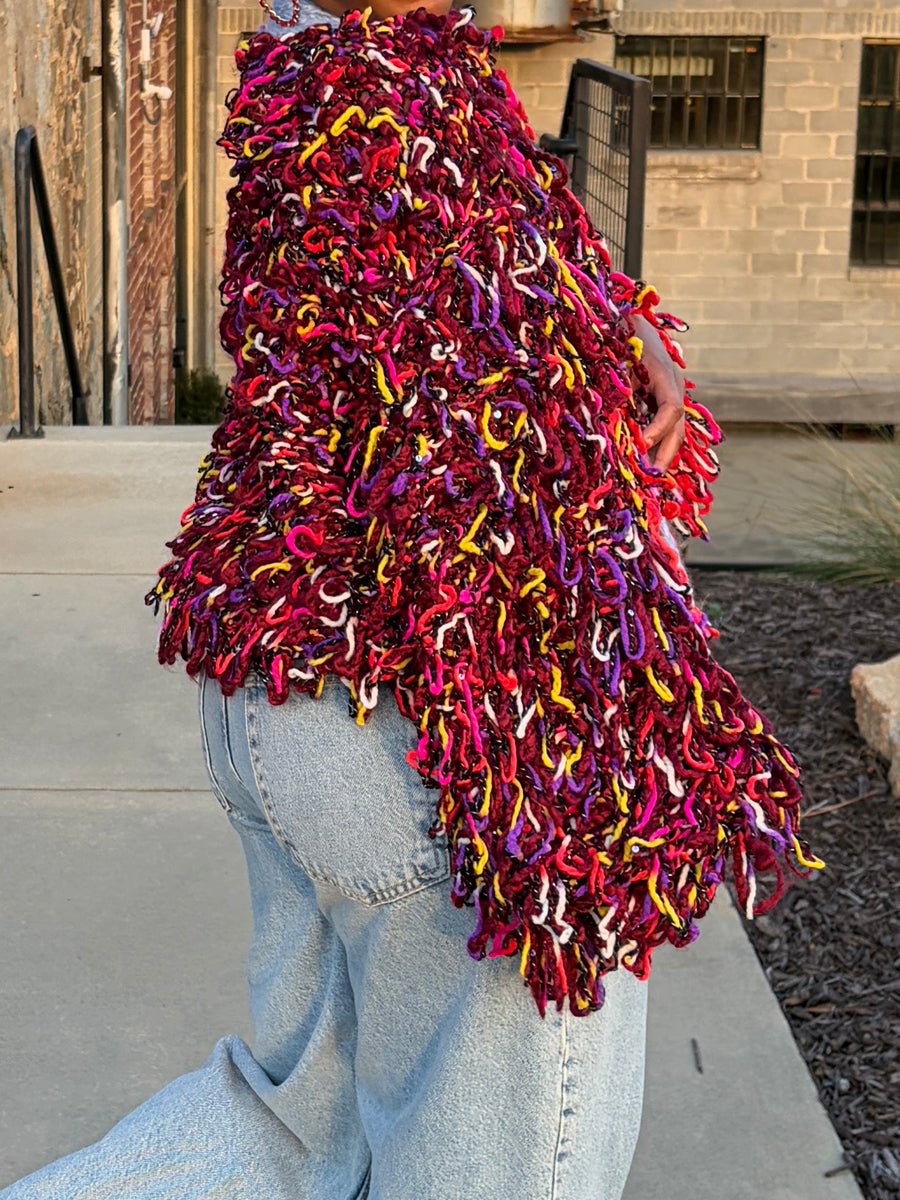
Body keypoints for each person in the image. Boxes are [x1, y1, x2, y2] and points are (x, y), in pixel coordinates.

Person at [2, 1, 818, 1196]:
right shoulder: (393, 89)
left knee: (287, 1144)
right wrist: (575, 817)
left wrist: (595, 319)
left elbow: (421, 313)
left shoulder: (311, 65)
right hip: (415, 744)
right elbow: (473, 474)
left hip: (282, 688)